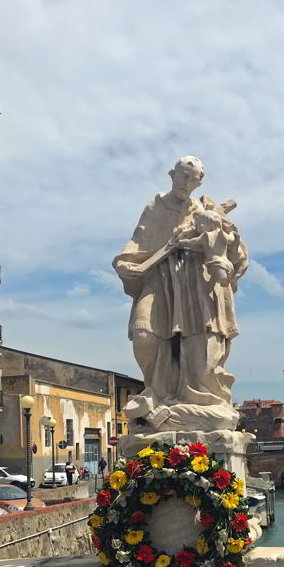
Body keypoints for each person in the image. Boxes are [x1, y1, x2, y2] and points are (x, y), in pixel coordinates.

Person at [112, 156, 248, 433]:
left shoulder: (203, 212)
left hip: (193, 286)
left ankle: (187, 403)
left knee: (199, 356)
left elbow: (230, 252)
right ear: (172, 174)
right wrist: (126, 263)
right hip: (158, 279)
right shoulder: (155, 207)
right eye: (184, 176)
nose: (188, 183)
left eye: (194, 179)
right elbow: (137, 242)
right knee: (143, 333)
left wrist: (215, 238)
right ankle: (156, 391)